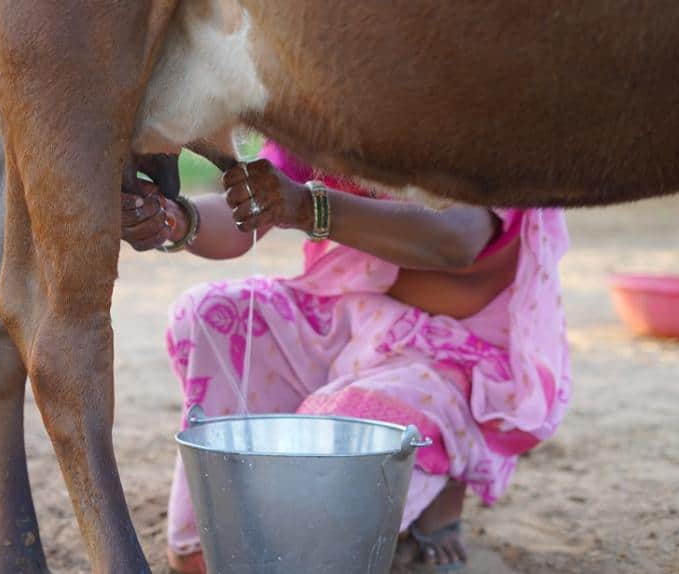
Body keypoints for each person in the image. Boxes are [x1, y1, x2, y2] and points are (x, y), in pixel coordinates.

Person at [120, 140, 572, 572]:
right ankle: (258, 518)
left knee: (340, 430)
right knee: (209, 314)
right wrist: (178, 219)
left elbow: (458, 239)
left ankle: (438, 480)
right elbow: (249, 211)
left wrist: (306, 207)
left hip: (456, 355)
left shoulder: (467, 110)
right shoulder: (323, 113)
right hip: (355, 321)